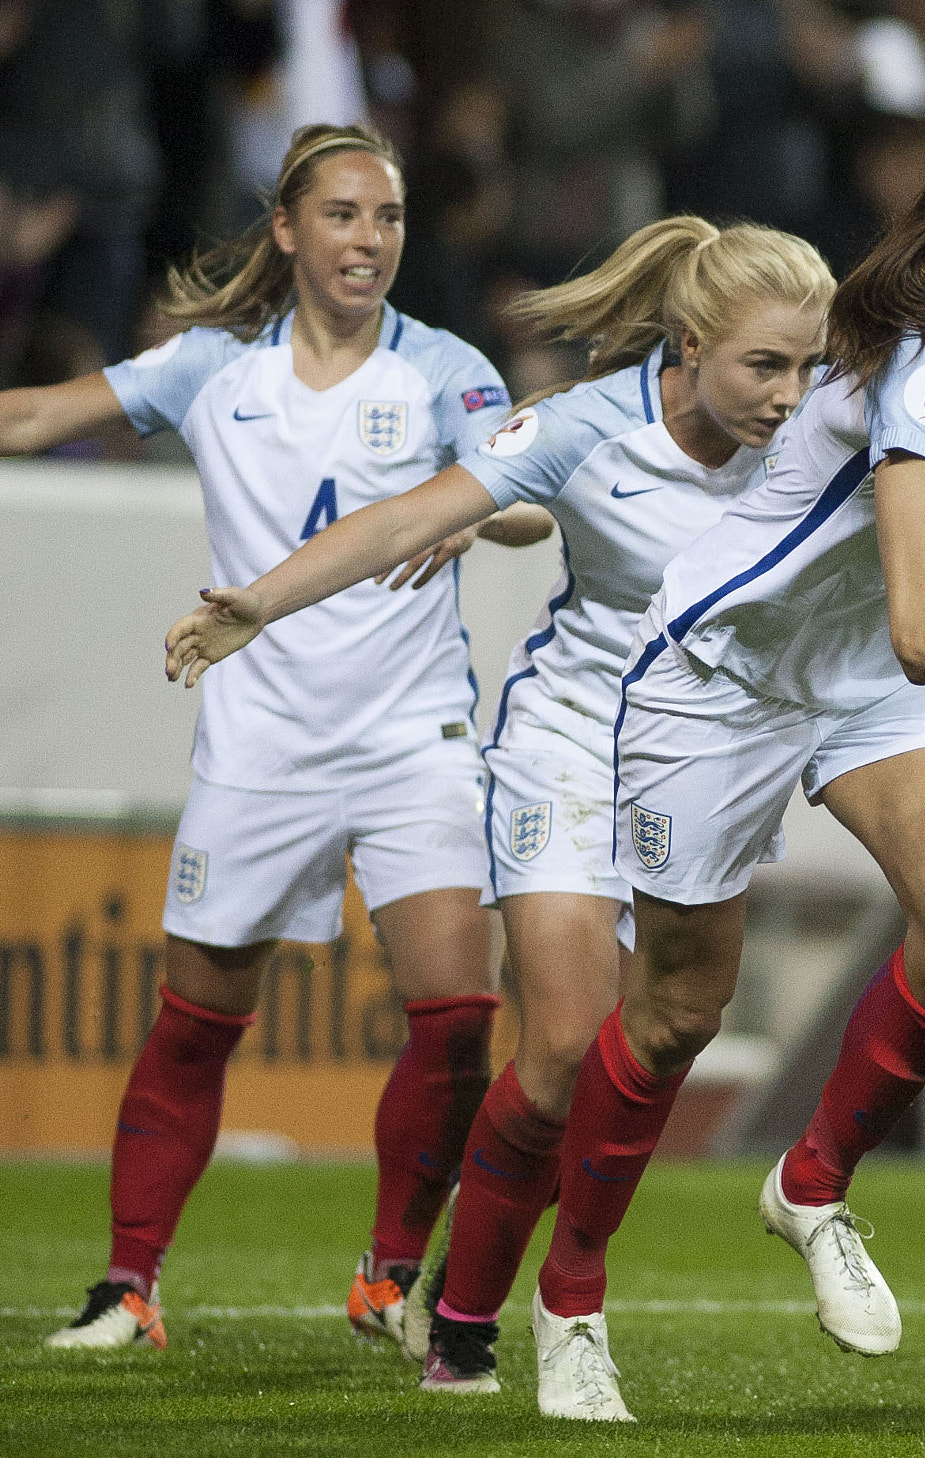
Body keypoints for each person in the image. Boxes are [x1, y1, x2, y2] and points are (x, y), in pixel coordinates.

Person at [410, 103, 925, 1422]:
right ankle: (570, 1301)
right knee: (672, 1013)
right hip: (724, 672)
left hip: (861, 679)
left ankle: (813, 1185)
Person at [166, 213, 839, 1406]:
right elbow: (412, 515)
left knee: (653, 1043)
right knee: (565, 1047)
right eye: (765, 367)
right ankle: (473, 1327)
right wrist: (262, 603)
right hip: (570, 748)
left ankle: (503, 1295)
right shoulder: (586, 428)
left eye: (809, 366)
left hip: (710, 771)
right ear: (689, 342)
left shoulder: (821, 439)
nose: (793, 395)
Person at [14, 123, 551, 1353]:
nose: (371, 240)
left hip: (411, 737)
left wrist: (480, 517)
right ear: (288, 230)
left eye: (389, 218)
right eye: (347, 215)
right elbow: (47, 411)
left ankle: (389, 1273)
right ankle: (128, 1287)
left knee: (459, 1014)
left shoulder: (447, 371)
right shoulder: (212, 370)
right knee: (195, 1021)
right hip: (259, 746)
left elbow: (526, 495)